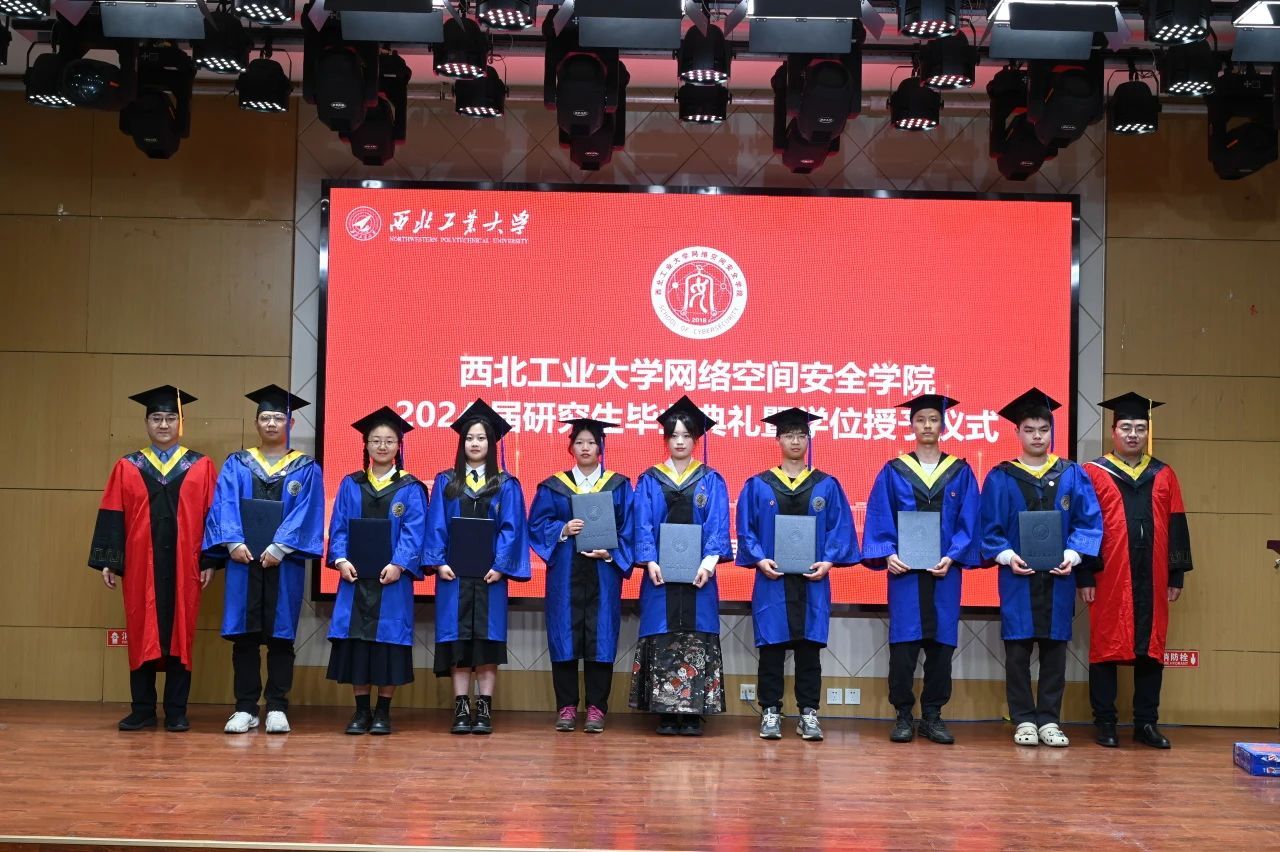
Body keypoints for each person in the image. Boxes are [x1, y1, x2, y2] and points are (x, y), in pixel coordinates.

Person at [88, 385, 217, 732]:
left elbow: (213, 516)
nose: (163, 424)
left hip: (185, 565)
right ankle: (142, 709)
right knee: (140, 629)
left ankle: (176, 710)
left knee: (181, 633)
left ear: (180, 422)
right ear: (146, 422)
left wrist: (209, 560)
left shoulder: (201, 466)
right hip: (139, 566)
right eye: (156, 418)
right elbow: (113, 512)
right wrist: (110, 559)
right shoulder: (127, 466)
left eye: (170, 418)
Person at [980, 388, 1102, 748]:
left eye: (1043, 430)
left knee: (1054, 651)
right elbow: (989, 529)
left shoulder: (1071, 474)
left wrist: (1073, 555)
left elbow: (1088, 522)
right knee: (1017, 652)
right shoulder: (1001, 477)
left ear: (1052, 431)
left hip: (1058, 577)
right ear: (1017, 432)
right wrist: (1006, 556)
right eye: (1030, 430)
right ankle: (1023, 719)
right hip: (1018, 578)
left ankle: (1049, 719)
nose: (1037, 436)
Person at [203, 385, 325, 735]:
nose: (272, 423)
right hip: (242, 561)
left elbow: (308, 511)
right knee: (245, 637)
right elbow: (224, 504)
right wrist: (232, 542)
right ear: (256, 422)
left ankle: (276, 706)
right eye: (265, 417)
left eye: (278, 418)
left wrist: (279, 548)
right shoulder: (237, 464)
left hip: (283, 564)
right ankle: (245, 707)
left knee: (280, 637)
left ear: (290, 422)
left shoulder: (305, 468)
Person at [862, 394, 981, 745]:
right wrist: (887, 553)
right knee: (904, 647)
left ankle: (932, 716)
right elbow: (880, 515)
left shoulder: (960, 472)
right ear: (911, 425)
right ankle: (903, 715)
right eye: (921, 420)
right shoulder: (893, 471)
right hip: (905, 575)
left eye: (933, 419)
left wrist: (953, 555)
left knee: (941, 647)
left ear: (943, 424)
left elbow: (969, 520)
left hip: (945, 573)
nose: (927, 425)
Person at [735, 408, 859, 742]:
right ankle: (770, 710)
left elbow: (839, 528)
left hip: (812, 581)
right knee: (771, 648)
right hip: (772, 580)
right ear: (778, 440)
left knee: (809, 649)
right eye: (788, 435)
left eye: (800, 435)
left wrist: (829, 561)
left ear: (809, 439)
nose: (794, 441)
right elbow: (746, 530)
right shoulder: (759, 485)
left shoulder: (826, 485)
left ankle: (808, 712)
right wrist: (759, 560)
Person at [1082, 392, 1193, 750]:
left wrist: (1176, 574)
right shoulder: (1093, 473)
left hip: (1154, 573)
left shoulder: (1164, 474)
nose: (1133, 434)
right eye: (1126, 427)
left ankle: (1146, 723)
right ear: (1113, 431)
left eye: (1140, 428)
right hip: (1109, 574)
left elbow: (1177, 523)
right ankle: (1105, 722)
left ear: (1147, 432)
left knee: (1151, 647)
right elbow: (1084, 526)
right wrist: (1084, 574)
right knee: (1105, 645)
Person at [423, 399, 530, 735]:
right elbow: (436, 524)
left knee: (486, 641)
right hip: (453, 576)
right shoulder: (446, 482)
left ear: (491, 443)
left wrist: (501, 565)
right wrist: (439, 562)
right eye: (469, 437)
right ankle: (460, 708)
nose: (475, 443)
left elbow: (512, 528)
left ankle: (484, 708)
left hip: (490, 577)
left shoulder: (506, 484)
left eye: (481, 438)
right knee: (457, 640)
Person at [628, 396, 733, 736]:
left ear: (696, 440)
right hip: (659, 574)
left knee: (695, 636)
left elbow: (718, 524)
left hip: (700, 575)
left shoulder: (711, 479)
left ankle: (691, 713)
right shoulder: (649, 480)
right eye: (673, 435)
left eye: (686, 435)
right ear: (666, 439)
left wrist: (709, 562)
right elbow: (642, 523)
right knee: (663, 634)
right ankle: (665, 711)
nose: (680, 441)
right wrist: (649, 560)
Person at [325, 406, 428, 736]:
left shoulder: (410, 487)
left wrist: (399, 564)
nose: (382, 446)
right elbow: (339, 527)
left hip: (392, 581)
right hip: (354, 579)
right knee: (357, 644)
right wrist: (340, 560)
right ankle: (360, 712)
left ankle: (383, 712)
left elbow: (414, 531)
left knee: (388, 645)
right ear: (366, 445)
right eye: (376, 440)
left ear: (399, 446)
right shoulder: (351, 484)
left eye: (389, 441)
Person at [528, 418, 634, 734]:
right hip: (565, 574)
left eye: (591, 442)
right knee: (564, 636)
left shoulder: (618, 486)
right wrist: (562, 529)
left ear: (600, 447)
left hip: (603, 573)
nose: (585, 447)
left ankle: (597, 708)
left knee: (601, 637)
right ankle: (567, 707)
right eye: (579, 442)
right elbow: (536, 525)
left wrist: (609, 553)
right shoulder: (554, 486)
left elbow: (629, 528)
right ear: (571, 447)